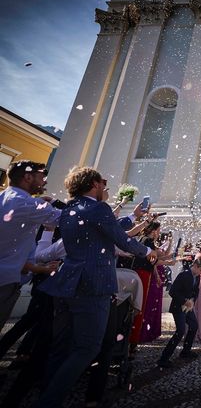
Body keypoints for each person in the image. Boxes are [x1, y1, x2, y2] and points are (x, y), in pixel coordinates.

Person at [34, 166, 156, 408]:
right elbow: (120, 239)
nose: (105, 185)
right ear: (93, 185)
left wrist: (133, 217)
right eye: (102, 181)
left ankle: (47, 391)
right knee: (88, 348)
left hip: (65, 283)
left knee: (60, 347)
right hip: (92, 284)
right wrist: (149, 251)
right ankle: (48, 402)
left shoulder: (68, 209)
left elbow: (107, 227)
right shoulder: (98, 208)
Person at [0, 160, 61, 331]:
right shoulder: (27, 204)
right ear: (27, 177)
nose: (45, 181)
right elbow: (68, 219)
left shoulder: (6, 198)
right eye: (42, 176)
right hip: (4, 283)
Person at [158, 256, 201, 368]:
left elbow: (196, 291)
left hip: (188, 307)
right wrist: (184, 301)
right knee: (180, 331)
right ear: (195, 266)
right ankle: (164, 358)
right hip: (178, 307)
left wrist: (192, 300)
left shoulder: (197, 276)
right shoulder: (184, 275)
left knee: (194, 326)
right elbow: (172, 291)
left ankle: (185, 351)